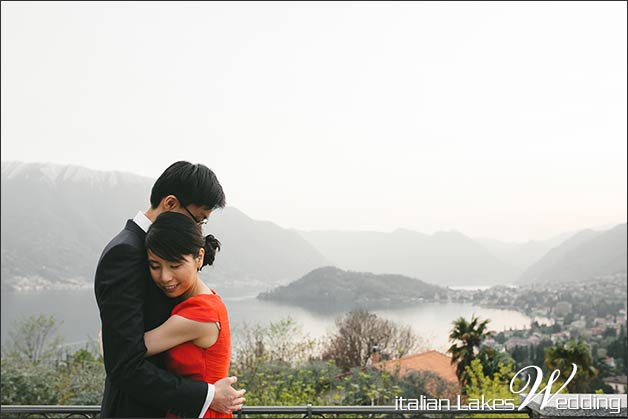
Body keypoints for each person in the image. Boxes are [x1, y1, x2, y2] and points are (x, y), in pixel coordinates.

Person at [95, 161, 245, 418]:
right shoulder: (127, 252)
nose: (197, 229)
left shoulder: (149, 247)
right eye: (197, 218)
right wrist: (208, 395)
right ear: (171, 204)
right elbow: (123, 363)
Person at [143, 211, 232, 418]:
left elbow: (122, 351)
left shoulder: (200, 313)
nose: (165, 277)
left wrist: (105, 333)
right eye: (155, 266)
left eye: (175, 266)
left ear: (199, 257)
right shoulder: (204, 301)